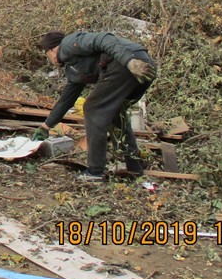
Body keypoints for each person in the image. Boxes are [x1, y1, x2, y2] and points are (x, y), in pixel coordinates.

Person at [35, 30, 157, 183]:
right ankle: (134, 167)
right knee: (115, 114)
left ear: (52, 50)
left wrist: (129, 62)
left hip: (129, 63)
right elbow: (66, 99)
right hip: (143, 65)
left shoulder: (68, 44)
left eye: (47, 55)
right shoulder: (73, 67)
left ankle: (95, 171)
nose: (50, 60)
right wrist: (46, 126)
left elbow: (104, 39)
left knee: (92, 109)